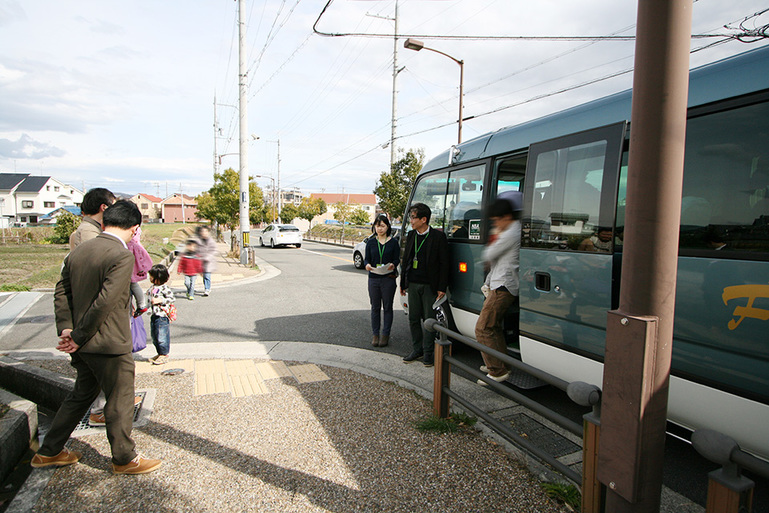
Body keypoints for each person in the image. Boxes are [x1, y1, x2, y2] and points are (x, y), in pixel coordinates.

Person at [31, 200, 161, 474]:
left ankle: (49, 451)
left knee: (81, 395)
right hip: (109, 344)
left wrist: (67, 329)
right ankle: (124, 459)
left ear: (104, 222)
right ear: (135, 228)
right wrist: (77, 335)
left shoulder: (79, 252)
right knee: (120, 399)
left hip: (82, 343)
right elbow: (106, 302)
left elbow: (61, 292)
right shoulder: (121, 255)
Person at [475, 192, 523, 385]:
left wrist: (495, 233)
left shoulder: (511, 232)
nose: (496, 224)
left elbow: (489, 252)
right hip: (499, 284)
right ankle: (501, 364)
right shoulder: (511, 230)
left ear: (507, 217)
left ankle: (497, 371)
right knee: (493, 328)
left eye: (496, 220)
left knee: (483, 328)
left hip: (504, 287)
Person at [399, 203, 450, 366]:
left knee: (429, 320)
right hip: (413, 284)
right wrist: (403, 283)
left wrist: (442, 287)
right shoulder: (411, 235)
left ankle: (428, 352)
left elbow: (444, 264)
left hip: (430, 286)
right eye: (410, 217)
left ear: (423, 219)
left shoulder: (438, 237)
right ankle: (417, 349)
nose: (411, 221)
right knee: (413, 318)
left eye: (413, 217)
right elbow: (406, 260)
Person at [364, 214, 400, 348]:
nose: (380, 229)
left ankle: (385, 334)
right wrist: (367, 265)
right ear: (374, 227)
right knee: (375, 308)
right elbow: (367, 259)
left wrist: (393, 265)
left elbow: (397, 259)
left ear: (387, 227)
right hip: (373, 278)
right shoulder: (371, 242)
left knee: (388, 307)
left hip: (387, 279)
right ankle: (375, 334)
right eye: (377, 226)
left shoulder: (393, 242)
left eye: (382, 226)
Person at [146, 264, 175, 365]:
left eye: (152, 276)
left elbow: (172, 298)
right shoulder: (153, 287)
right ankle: (159, 353)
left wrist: (161, 300)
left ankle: (164, 354)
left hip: (162, 316)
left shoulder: (164, 288)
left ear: (158, 277)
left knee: (161, 336)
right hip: (154, 315)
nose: (150, 278)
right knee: (154, 336)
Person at [129, 226, 153, 317]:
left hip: (131, 262)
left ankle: (141, 304)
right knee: (133, 284)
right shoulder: (136, 243)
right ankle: (141, 304)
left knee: (132, 283)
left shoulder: (129, 243)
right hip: (135, 260)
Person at [195, 225, 217, 296]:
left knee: (207, 275)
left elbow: (214, 250)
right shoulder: (198, 241)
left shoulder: (211, 241)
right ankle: (206, 287)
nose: (204, 233)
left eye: (205, 231)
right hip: (200, 261)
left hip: (208, 262)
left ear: (208, 232)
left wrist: (208, 257)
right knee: (204, 276)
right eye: (202, 231)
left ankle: (207, 289)